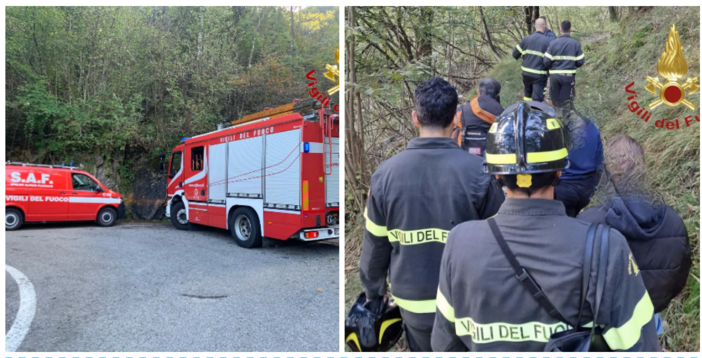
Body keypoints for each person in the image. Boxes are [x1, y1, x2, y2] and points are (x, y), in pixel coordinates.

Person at [431, 101, 660, 352]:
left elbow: (444, 344)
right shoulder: (607, 248)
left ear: (496, 174)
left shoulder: (459, 244)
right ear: (559, 172)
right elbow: (641, 347)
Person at [359, 77, 504, 352]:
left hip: (412, 307)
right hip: (468, 304)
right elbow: (501, 243)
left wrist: (374, 296)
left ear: (415, 117)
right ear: (455, 119)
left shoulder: (384, 177)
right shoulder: (480, 174)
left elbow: (374, 249)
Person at [578, 135, 691, 329]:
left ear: (608, 173)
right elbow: (679, 277)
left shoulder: (587, 223)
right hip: (649, 317)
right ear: (643, 169)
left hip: (603, 326)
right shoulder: (673, 222)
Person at [554, 107, 604, 217]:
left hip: (564, 188)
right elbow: (599, 161)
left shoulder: (559, 131)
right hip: (587, 188)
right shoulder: (592, 127)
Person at [454, 77, 504, 157]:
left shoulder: (462, 110)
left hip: (464, 156)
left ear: (478, 92)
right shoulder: (503, 114)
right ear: (497, 95)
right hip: (491, 159)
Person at [543, 20, 585, 107]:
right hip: (568, 76)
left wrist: (552, 67)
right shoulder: (575, 44)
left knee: (555, 99)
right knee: (567, 101)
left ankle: (557, 115)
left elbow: (546, 61)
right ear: (570, 29)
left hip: (554, 76)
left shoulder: (553, 43)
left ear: (560, 29)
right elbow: (580, 61)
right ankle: (565, 117)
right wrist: (572, 65)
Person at [512, 18, 551, 102]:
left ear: (535, 26)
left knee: (527, 94)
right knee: (537, 99)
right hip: (539, 75)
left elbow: (515, 53)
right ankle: (536, 112)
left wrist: (524, 57)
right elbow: (550, 60)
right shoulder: (548, 42)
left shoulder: (526, 39)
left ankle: (527, 110)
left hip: (526, 73)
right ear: (544, 26)